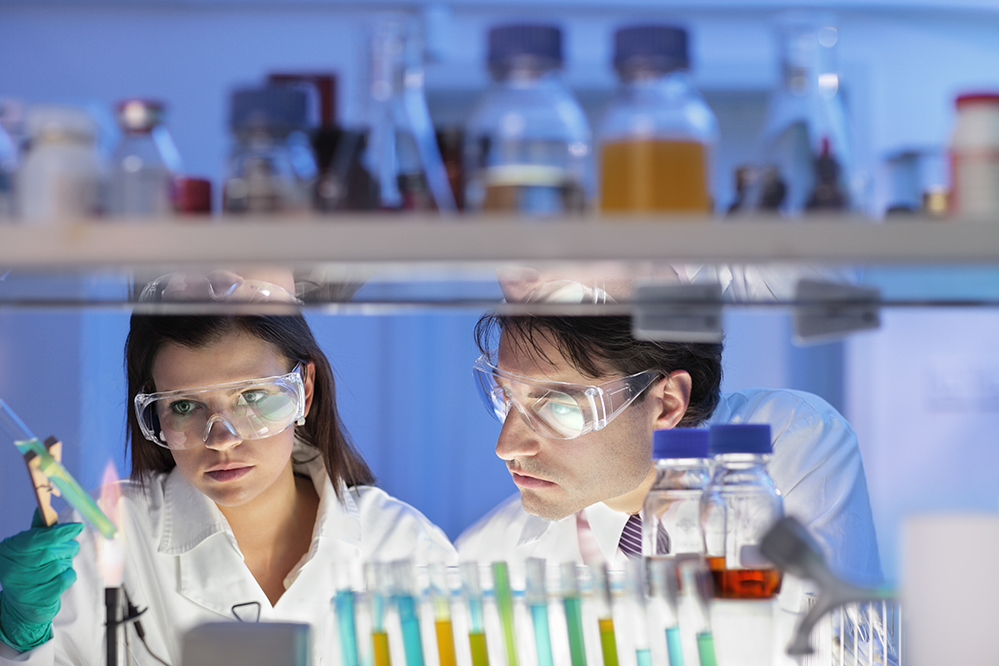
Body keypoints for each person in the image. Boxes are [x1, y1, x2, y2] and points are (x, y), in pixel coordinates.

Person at [0, 278, 456, 666]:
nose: (220, 438)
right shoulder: (104, 539)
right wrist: (16, 639)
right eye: (184, 406)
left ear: (305, 391)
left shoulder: (404, 549)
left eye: (253, 397)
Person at [455, 306, 883, 590]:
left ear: (666, 404)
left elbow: (833, 647)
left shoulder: (792, 443)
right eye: (506, 398)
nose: (506, 446)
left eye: (559, 407)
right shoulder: (487, 555)